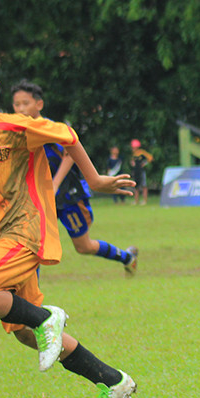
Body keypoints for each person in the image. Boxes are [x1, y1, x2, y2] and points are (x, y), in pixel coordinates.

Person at [0, 62, 137, 398]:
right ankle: (113, 380)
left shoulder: (12, 127)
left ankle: (47, 318)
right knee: (25, 332)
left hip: (27, 229)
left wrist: (96, 180)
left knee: (36, 321)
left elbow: (67, 134)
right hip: (4, 237)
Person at [11, 82, 138, 276]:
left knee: (83, 246)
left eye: (25, 103)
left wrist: (54, 185)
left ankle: (127, 257)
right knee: (32, 244)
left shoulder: (50, 128)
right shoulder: (14, 132)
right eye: (16, 104)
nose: (20, 109)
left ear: (39, 105)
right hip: (37, 199)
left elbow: (69, 154)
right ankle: (30, 301)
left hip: (67, 195)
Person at [130, 139, 153, 205]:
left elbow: (150, 158)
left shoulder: (142, 152)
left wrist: (144, 164)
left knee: (144, 185)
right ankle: (136, 201)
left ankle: (145, 200)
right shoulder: (134, 154)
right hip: (136, 171)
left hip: (141, 171)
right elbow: (133, 161)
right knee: (136, 186)